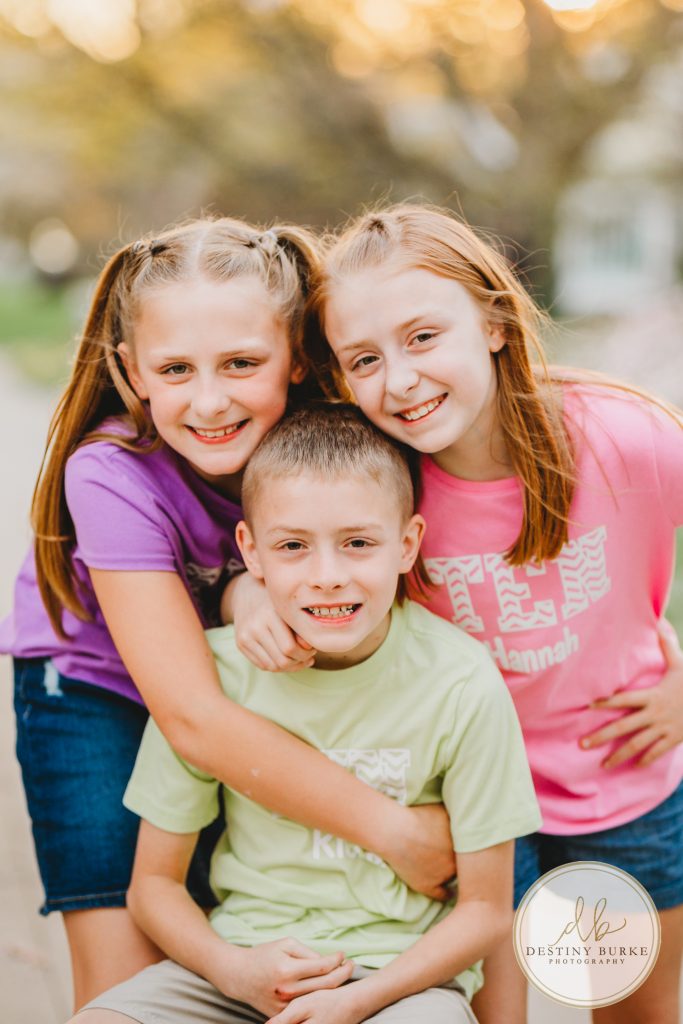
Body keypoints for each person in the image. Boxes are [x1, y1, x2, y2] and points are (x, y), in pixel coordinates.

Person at [234, 204, 683, 1024]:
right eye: (364, 359)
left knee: (636, 1015)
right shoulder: (381, 485)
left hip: (622, 785)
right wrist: (248, 592)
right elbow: (289, 553)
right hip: (465, 805)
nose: (399, 379)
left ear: (495, 323)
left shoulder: (625, 437)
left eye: (422, 337)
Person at [0, 217, 457, 1011]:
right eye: (175, 368)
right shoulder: (111, 471)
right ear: (130, 370)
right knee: (130, 980)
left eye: (242, 363)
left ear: (298, 357)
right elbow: (193, 718)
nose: (209, 400)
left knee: (254, 931)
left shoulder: (341, 444)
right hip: (96, 690)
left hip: (247, 684)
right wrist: (392, 831)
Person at [68, 403, 541, 1024]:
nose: (327, 576)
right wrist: (232, 971)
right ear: (250, 550)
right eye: (292, 546)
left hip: (398, 982)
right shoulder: (213, 674)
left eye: (358, 544)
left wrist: (356, 1001)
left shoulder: (461, 681)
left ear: (407, 545)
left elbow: (486, 910)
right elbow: (153, 889)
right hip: (241, 966)